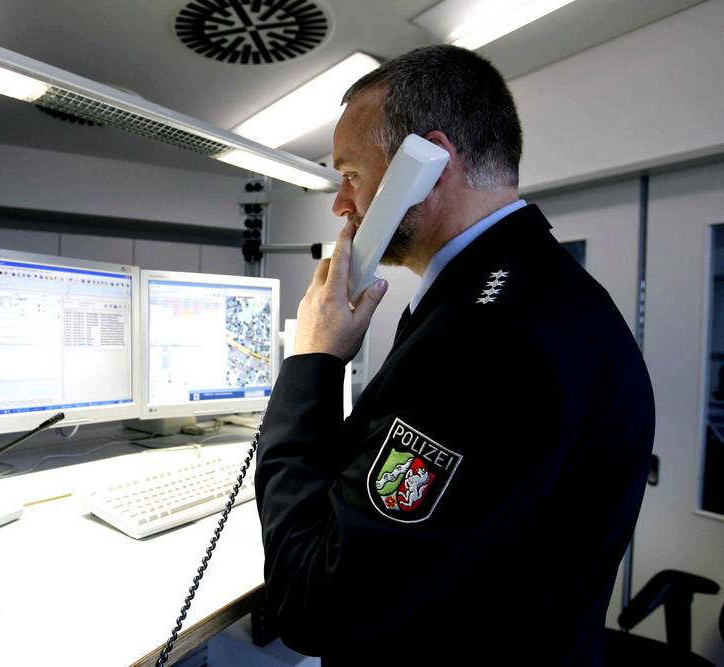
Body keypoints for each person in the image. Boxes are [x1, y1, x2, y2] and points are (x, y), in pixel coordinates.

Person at [253, 45, 655, 665]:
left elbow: (311, 605)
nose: (340, 204)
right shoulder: (539, 289)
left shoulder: (481, 342)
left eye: (351, 174)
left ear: (428, 162)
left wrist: (312, 362)